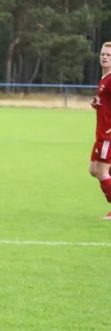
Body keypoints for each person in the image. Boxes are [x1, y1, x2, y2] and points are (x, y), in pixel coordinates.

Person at [89, 42, 111, 220]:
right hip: (101, 133)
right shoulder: (104, 79)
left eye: (109, 55)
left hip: (108, 135)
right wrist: (97, 104)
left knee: (101, 171)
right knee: (93, 169)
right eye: (103, 54)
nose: (104, 57)